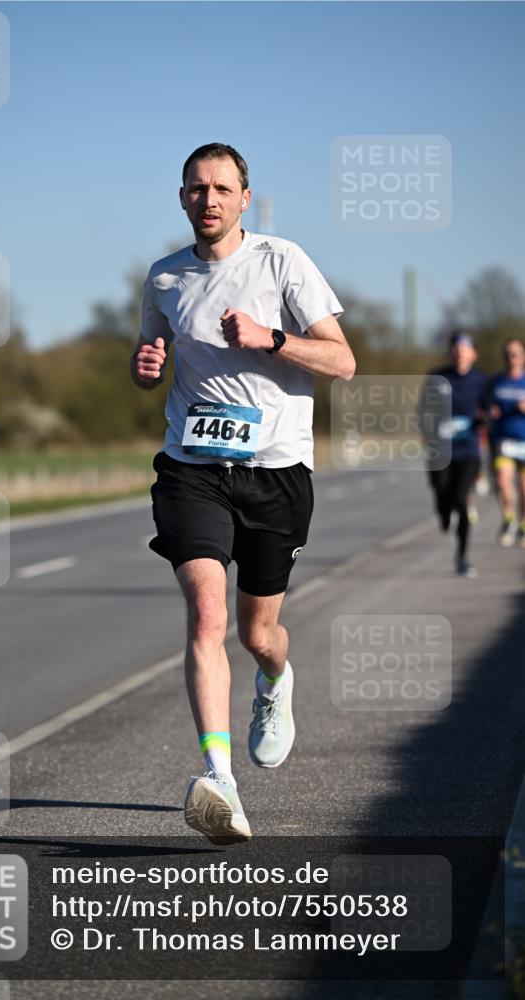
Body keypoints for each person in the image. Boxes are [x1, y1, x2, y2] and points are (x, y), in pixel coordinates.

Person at [131, 142, 355, 843]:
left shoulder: (281, 261)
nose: (209, 200)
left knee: (256, 633)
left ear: (243, 198)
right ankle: (219, 781)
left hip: (276, 473)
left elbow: (343, 361)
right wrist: (144, 368)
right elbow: (151, 361)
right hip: (192, 468)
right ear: (181, 198)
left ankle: (274, 682)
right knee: (205, 613)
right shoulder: (164, 279)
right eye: (196, 189)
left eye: (222, 188)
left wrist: (271, 338)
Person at [422, 332, 488, 578]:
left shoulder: (481, 380)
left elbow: (489, 407)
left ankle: (462, 557)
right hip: (440, 451)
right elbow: (423, 410)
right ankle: (443, 514)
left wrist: (486, 419)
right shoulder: (437, 377)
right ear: (451, 353)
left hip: (468, 450)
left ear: (474, 353)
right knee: (442, 494)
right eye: (456, 348)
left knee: (462, 500)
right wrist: (429, 436)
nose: (460, 353)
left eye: (465, 348)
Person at [486, 339, 525, 547]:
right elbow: (485, 404)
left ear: (523, 357)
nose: (512, 358)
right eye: (508, 354)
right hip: (504, 440)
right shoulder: (496, 382)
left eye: (516, 353)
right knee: (502, 480)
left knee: (524, 488)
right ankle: (508, 518)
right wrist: (490, 412)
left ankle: (524, 525)